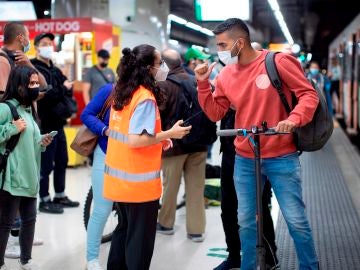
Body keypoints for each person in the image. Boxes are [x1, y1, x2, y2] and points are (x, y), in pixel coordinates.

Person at [195, 18, 319, 270]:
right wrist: (202, 84)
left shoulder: (277, 62)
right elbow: (216, 113)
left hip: (282, 156)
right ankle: (249, 266)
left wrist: (293, 119)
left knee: (295, 219)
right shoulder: (226, 74)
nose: (218, 50)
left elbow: (308, 94)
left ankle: (310, 266)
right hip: (245, 157)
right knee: (246, 220)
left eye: (222, 44)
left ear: (239, 43)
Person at [104, 45, 191, 270]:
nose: (162, 68)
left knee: (123, 233)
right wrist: (170, 133)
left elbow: (128, 134)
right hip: (139, 186)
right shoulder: (144, 98)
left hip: (118, 181)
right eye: (159, 63)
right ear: (147, 68)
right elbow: (136, 140)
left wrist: (161, 139)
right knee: (139, 243)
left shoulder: (123, 92)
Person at [0, 65, 53, 270]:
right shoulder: (6, 108)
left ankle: (26, 259)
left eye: (36, 83)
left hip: (30, 176)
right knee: (5, 223)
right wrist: (11, 128)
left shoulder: (29, 110)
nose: (34, 87)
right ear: (18, 85)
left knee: (29, 220)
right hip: (12, 178)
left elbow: (28, 140)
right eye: (30, 83)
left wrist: (41, 141)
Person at [156, 49, 208, 242]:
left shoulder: (164, 85)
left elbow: (158, 115)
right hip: (199, 143)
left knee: (170, 186)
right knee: (195, 187)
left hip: (174, 145)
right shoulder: (196, 80)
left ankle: (166, 224)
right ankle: (196, 231)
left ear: (164, 65)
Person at [31, 33, 79, 214]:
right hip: (44, 123)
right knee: (46, 164)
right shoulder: (34, 69)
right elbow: (43, 97)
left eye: (50, 43)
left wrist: (59, 90)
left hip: (59, 123)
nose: (48, 46)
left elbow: (65, 89)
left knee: (62, 160)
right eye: (44, 43)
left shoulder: (55, 69)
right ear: (36, 47)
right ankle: (44, 199)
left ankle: (60, 194)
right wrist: (61, 89)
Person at [80, 83, 114, 270]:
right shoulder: (110, 90)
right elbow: (86, 114)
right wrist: (105, 130)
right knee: (102, 209)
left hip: (131, 159)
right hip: (105, 152)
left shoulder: (145, 94)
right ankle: (91, 258)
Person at [0, 22, 47, 95]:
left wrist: (29, 65)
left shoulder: (19, 59)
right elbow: (3, 97)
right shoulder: (2, 61)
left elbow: (43, 86)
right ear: (20, 38)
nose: (29, 41)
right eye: (28, 36)